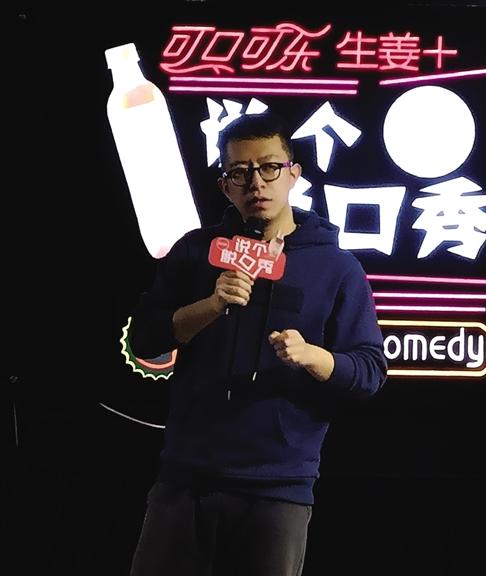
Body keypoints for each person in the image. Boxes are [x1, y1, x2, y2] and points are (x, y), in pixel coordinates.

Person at [128, 111, 387, 576]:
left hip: (278, 488)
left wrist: (314, 357)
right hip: (185, 479)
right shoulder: (194, 252)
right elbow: (146, 339)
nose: (256, 184)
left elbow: (369, 372)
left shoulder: (336, 267)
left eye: (269, 168)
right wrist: (210, 306)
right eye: (240, 173)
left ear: (293, 174)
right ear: (225, 186)